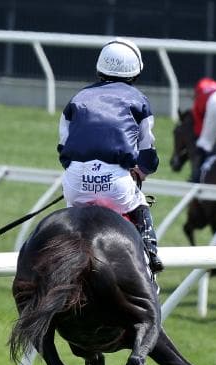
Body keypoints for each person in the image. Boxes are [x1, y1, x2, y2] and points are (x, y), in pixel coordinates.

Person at [58, 37, 163, 273]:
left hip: (76, 181)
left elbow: (63, 149)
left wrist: (79, 169)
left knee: (71, 213)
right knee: (140, 204)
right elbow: (147, 148)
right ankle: (150, 253)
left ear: (99, 68)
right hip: (116, 186)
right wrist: (144, 170)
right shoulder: (139, 100)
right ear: (135, 72)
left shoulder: (78, 98)